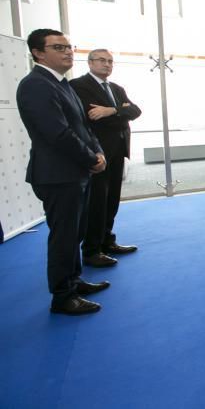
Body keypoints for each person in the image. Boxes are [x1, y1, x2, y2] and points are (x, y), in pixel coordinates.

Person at [16, 29, 108, 315]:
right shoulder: (35, 85)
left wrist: (97, 151)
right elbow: (57, 133)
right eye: (59, 47)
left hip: (76, 171)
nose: (68, 52)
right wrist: (90, 157)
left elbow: (82, 125)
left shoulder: (62, 84)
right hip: (58, 175)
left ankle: (74, 280)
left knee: (76, 232)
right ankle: (62, 296)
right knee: (64, 237)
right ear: (38, 53)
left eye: (69, 47)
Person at [70, 49, 141, 268]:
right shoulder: (78, 86)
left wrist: (111, 111)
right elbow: (90, 115)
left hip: (118, 150)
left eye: (110, 61)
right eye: (102, 60)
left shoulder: (116, 89)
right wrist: (121, 111)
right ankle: (92, 251)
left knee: (112, 200)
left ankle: (107, 241)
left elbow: (136, 111)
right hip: (97, 152)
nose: (107, 64)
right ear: (90, 62)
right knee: (96, 203)